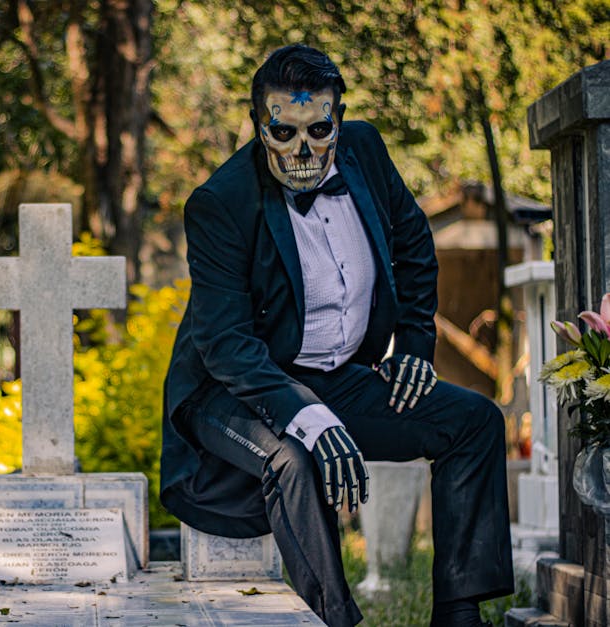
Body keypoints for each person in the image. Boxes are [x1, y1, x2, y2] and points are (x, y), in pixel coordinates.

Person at [160, 43, 513, 627]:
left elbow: (414, 247)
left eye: (318, 129)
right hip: (230, 392)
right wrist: (310, 417)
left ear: (339, 120)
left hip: (336, 377)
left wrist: (414, 348)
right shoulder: (220, 204)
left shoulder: (366, 151)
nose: (302, 149)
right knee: (294, 456)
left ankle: (458, 612)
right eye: (283, 131)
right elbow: (226, 345)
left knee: (473, 422)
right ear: (258, 125)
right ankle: (337, 619)